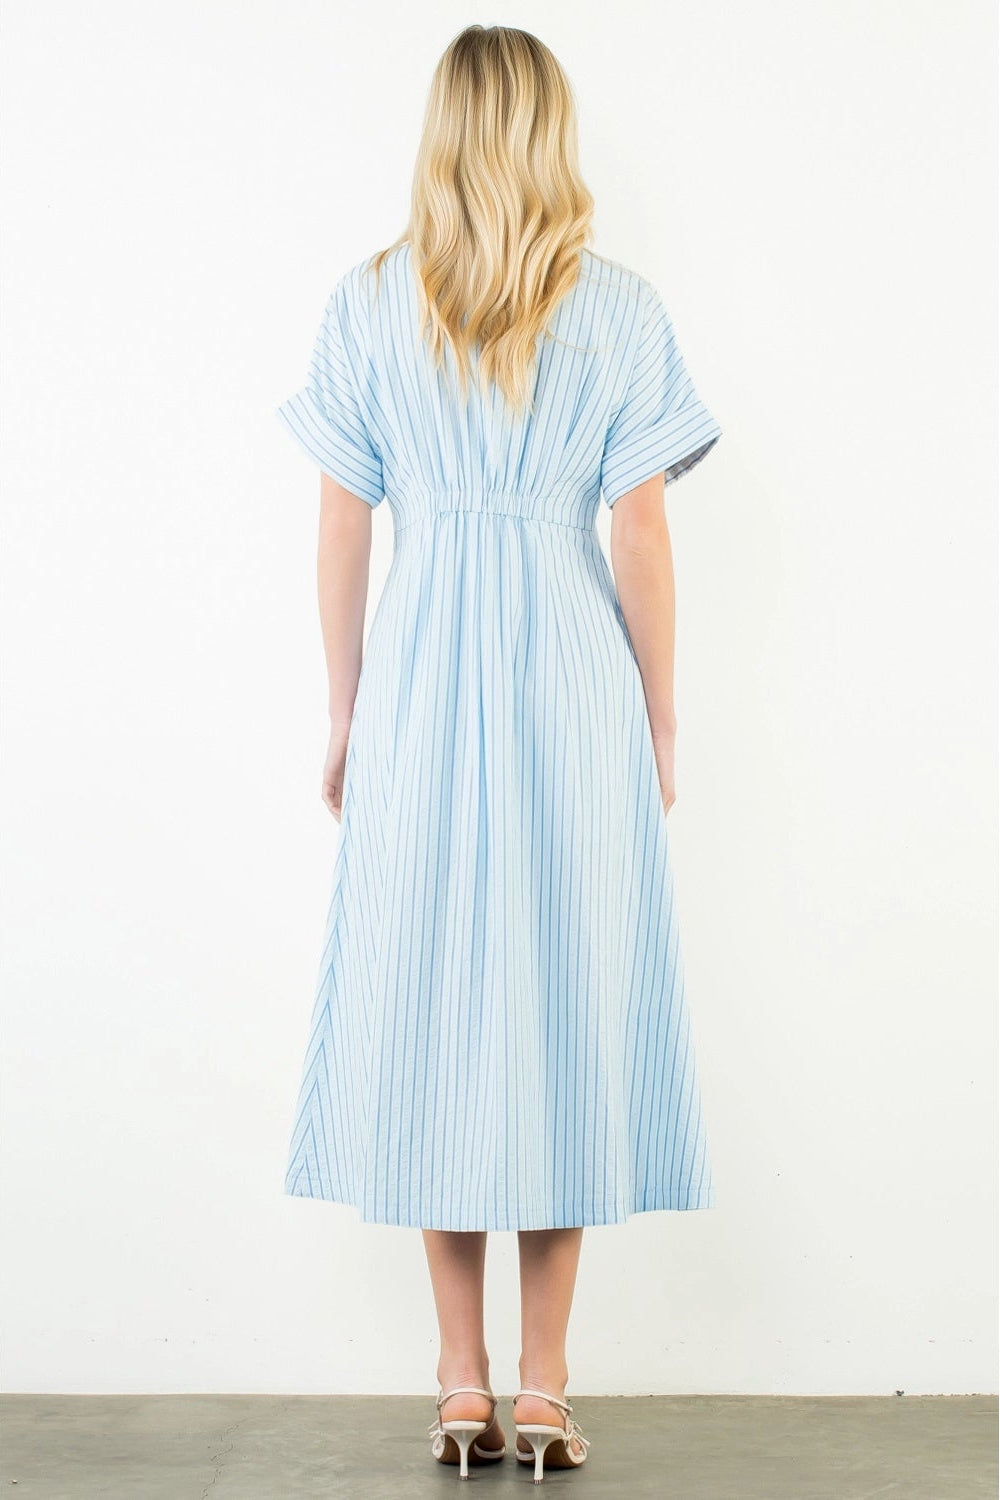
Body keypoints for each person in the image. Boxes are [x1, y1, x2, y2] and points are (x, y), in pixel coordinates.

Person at [275, 22, 722, 1484]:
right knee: (564, 1006)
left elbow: (345, 527)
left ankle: (456, 1383)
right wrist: (656, 709)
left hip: (423, 678)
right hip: (569, 682)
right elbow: (640, 536)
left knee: (434, 1008)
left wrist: (348, 710)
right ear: (553, 135)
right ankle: (546, 1387)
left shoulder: (370, 303)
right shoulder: (624, 311)